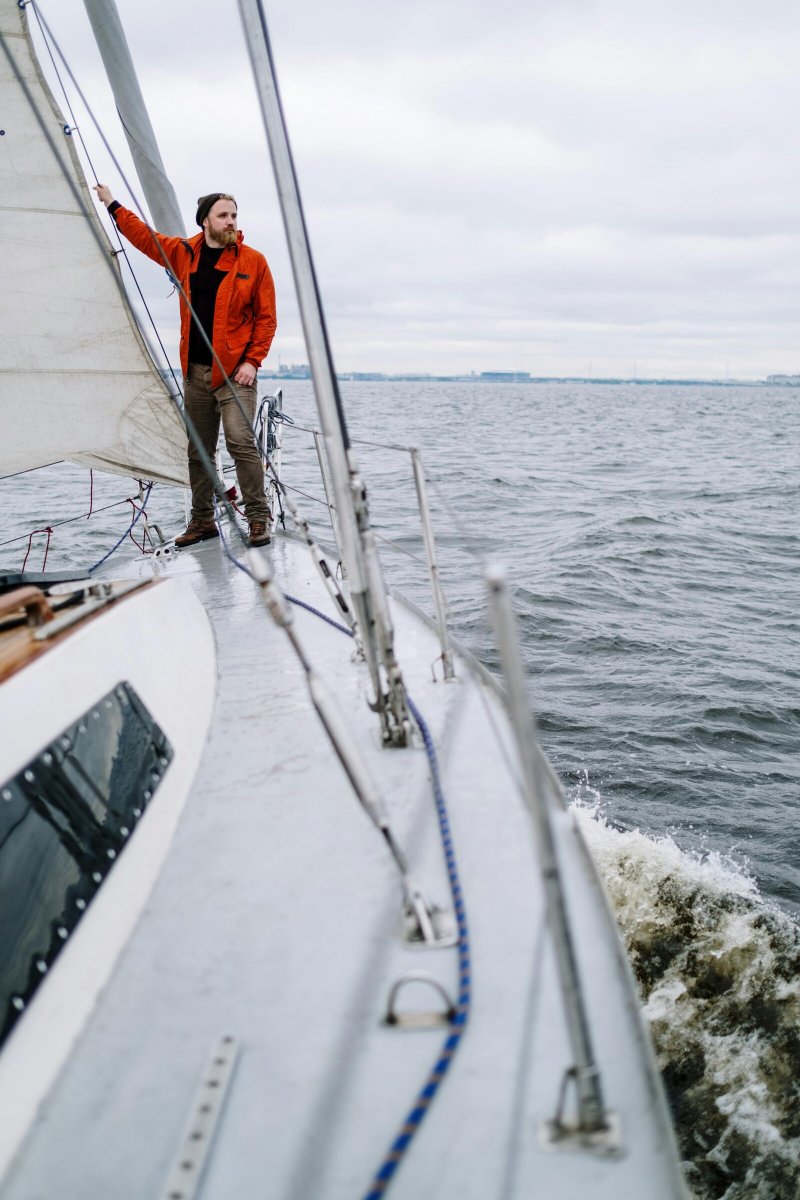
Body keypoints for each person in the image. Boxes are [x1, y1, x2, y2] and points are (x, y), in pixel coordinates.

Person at [94, 186, 277, 548]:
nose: (231, 222)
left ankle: (258, 519)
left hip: (234, 373)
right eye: (223, 215)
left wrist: (253, 362)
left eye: (234, 215)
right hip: (194, 373)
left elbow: (266, 319)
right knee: (198, 451)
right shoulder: (184, 253)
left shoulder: (252, 261)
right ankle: (203, 521)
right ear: (205, 220)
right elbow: (145, 238)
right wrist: (112, 205)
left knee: (241, 442)